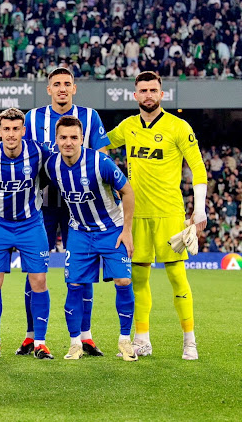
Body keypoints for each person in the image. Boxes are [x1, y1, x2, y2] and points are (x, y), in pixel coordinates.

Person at [107, 71, 207, 360]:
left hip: (169, 214)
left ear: (162, 95)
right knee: (138, 280)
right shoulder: (127, 127)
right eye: (143, 90)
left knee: (177, 276)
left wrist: (198, 208)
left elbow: (198, 169)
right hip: (136, 216)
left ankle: (189, 340)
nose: (148, 94)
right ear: (135, 95)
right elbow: (100, 144)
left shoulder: (178, 126)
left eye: (153, 90)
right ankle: (142, 340)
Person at [19, 67, 110, 357]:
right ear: (48, 89)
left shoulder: (90, 116)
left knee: (82, 273)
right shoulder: (32, 118)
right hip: (41, 207)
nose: (61, 88)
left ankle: (86, 336)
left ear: (74, 88)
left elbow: (102, 156)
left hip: (80, 209)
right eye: (56, 84)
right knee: (35, 271)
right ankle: (31, 336)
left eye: (66, 84)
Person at [46, 116, 138, 361]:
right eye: (63, 137)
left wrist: (127, 230)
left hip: (111, 230)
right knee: (74, 285)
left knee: (123, 281)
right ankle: (75, 343)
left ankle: (125, 341)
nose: (68, 142)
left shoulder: (100, 162)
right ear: (56, 140)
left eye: (74, 137)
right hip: (79, 232)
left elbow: (127, 191)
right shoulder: (51, 166)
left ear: (82, 139)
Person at [0, 108, 53, 359]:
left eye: (16, 129)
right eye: (6, 129)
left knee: (39, 281)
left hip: (31, 224)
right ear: (0, 131)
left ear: (23, 131)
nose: (11, 134)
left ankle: (39, 342)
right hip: (0, 224)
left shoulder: (38, 152)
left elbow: (54, 170)